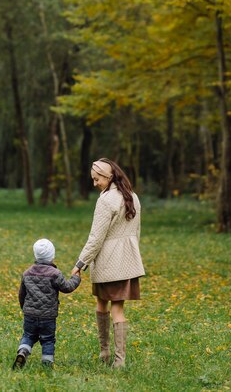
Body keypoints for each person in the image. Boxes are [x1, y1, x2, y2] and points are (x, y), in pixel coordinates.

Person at [72, 158, 145, 368]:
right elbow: (136, 232)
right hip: (127, 261)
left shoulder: (106, 201)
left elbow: (96, 238)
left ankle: (105, 353)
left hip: (107, 263)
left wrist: (80, 263)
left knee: (103, 304)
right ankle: (119, 361)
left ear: (109, 176)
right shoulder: (133, 196)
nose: (95, 184)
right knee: (117, 308)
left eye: (97, 179)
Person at [12, 238, 81, 370]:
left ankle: (23, 351)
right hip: (48, 316)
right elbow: (67, 287)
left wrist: (24, 309)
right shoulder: (55, 274)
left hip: (30, 315)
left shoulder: (27, 273)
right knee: (48, 339)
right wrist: (76, 278)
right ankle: (47, 364)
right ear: (52, 256)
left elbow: (22, 294)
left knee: (28, 336)